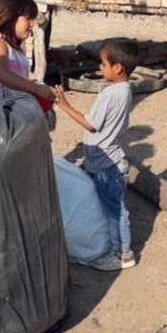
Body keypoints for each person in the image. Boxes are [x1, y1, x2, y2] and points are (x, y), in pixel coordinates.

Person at [53, 38, 139, 271]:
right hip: (104, 161)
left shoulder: (110, 94)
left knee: (115, 211)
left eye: (102, 64)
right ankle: (111, 245)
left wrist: (64, 105)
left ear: (117, 67)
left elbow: (91, 124)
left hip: (106, 165)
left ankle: (122, 254)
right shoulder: (125, 90)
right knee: (106, 205)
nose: (100, 68)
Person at [0, 0, 55, 103]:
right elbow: (1, 73)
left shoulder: (15, 48)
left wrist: (33, 83)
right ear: (10, 17)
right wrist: (36, 88)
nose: (32, 24)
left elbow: (16, 77)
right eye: (28, 19)